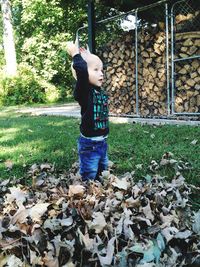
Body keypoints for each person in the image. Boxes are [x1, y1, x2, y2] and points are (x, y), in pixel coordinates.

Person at [66, 40, 109, 182]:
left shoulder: (98, 91)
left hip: (102, 142)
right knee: (89, 174)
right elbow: (82, 71)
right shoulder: (84, 92)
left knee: (103, 171)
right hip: (89, 145)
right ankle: (88, 193)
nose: (101, 73)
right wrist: (75, 54)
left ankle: (101, 192)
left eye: (101, 69)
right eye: (95, 70)